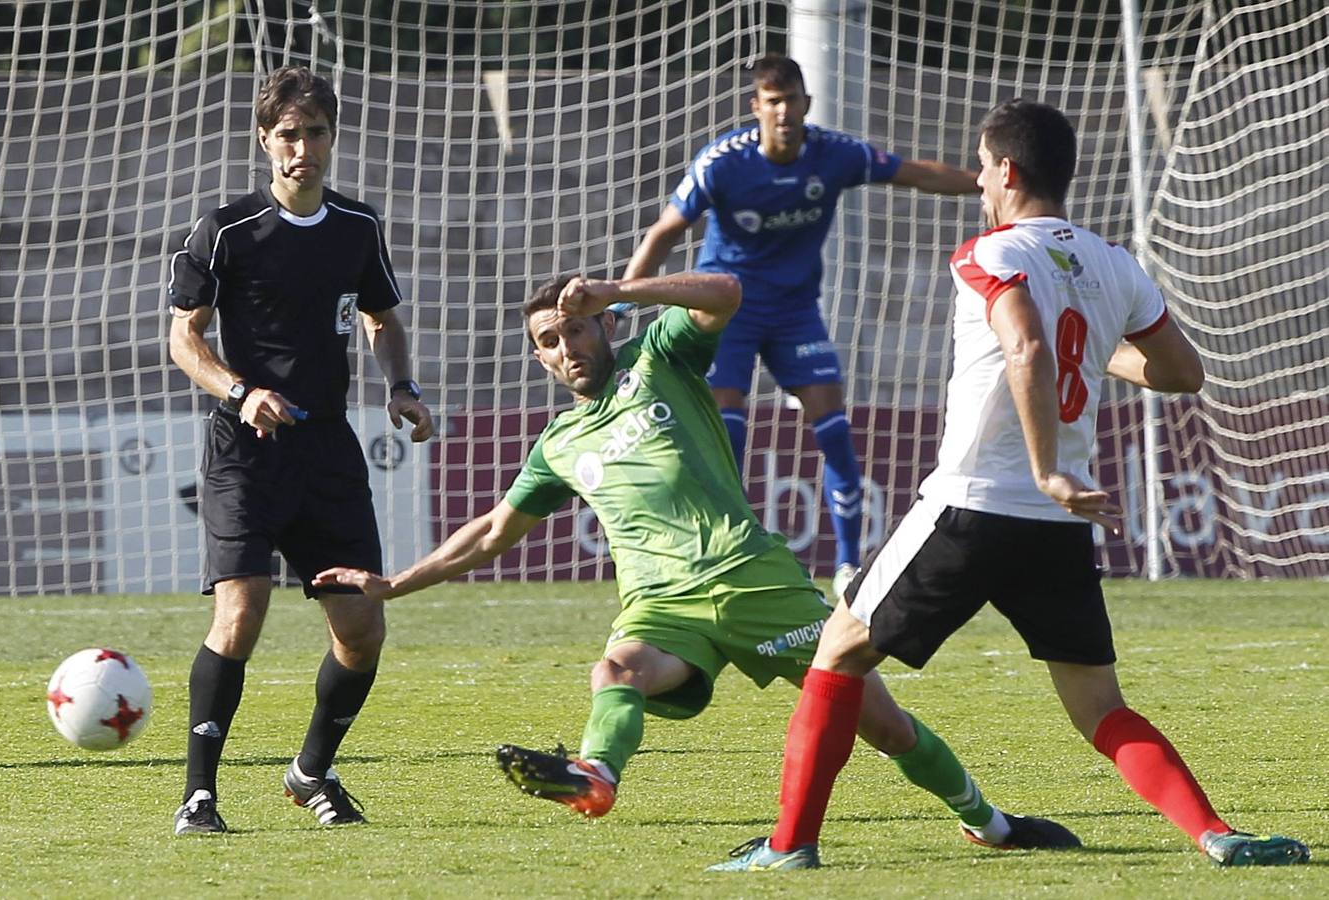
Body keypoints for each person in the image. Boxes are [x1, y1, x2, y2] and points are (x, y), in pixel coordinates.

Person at [709, 98, 1311, 871]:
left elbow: (1026, 345)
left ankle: (789, 846)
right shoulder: (1114, 262)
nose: (979, 180)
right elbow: (1179, 371)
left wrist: (1047, 466)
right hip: (1056, 526)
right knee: (1101, 707)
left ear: (1009, 171)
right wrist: (1091, 362)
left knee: (837, 652)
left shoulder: (987, 254)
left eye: (984, 166)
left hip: (974, 503)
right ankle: (1216, 834)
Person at [315, 271, 1079, 859]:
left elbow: (726, 294)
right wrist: (393, 584)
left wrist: (621, 289)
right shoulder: (558, 444)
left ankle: (990, 824)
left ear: (604, 326)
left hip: (755, 581)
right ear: (537, 355)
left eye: (577, 330)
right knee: (614, 672)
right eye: (549, 340)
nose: (566, 348)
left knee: (882, 724)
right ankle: (595, 777)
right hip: (664, 609)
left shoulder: (661, 357)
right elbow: (488, 536)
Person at [166, 65, 433, 835]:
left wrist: (403, 388)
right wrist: (240, 391)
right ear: (265, 140)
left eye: (316, 133)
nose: (302, 148)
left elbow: (381, 319)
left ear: (331, 140)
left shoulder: (357, 226)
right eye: (289, 134)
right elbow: (185, 337)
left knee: (362, 629)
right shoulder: (224, 230)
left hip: (327, 453)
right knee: (241, 612)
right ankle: (198, 796)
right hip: (245, 450)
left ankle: (310, 770)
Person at [620, 53, 979, 599]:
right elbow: (666, 231)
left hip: (794, 311)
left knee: (833, 425)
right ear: (755, 108)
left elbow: (913, 172)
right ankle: (727, 550)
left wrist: (985, 185)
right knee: (727, 429)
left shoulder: (833, 154)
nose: (783, 112)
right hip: (728, 310)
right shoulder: (723, 162)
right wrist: (623, 299)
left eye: (791, 100)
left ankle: (846, 566)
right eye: (772, 102)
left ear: (806, 104)